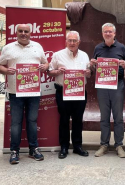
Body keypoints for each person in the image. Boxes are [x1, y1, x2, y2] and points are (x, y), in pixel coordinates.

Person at [0, 24, 49, 164]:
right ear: (16, 32)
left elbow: (46, 63)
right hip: (15, 92)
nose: (23, 33)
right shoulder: (8, 48)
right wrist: (6, 71)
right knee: (16, 122)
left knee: (32, 121)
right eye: (21, 31)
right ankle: (14, 151)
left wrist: (45, 66)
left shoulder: (37, 46)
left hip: (33, 91)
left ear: (30, 33)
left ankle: (33, 149)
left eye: (26, 31)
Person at [48, 31, 91, 159]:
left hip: (79, 92)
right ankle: (64, 147)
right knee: (64, 120)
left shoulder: (84, 55)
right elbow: (50, 71)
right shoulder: (58, 55)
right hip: (63, 92)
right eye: (70, 40)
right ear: (66, 41)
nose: (72, 43)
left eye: (74, 41)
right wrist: (57, 71)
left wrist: (88, 72)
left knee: (78, 120)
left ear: (79, 42)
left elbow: (88, 74)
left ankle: (77, 146)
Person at [90, 23, 125, 158]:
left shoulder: (121, 47)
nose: (108, 34)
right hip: (102, 85)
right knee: (104, 117)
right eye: (105, 32)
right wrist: (93, 65)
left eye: (110, 32)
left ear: (114, 34)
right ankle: (104, 145)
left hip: (117, 85)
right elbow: (94, 67)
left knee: (118, 117)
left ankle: (119, 145)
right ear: (102, 34)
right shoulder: (97, 48)